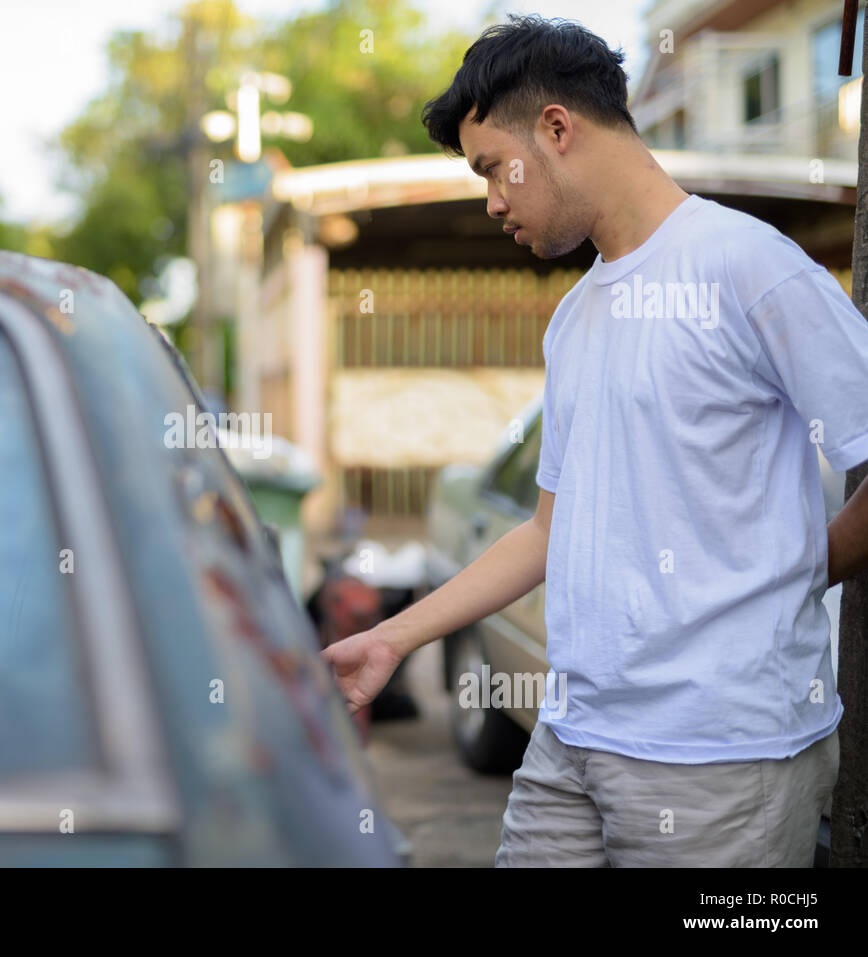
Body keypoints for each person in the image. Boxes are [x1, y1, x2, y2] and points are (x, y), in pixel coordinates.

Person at [321, 14, 868, 866]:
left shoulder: (749, 267)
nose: (492, 200)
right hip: (570, 740)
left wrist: (795, 568)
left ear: (556, 128)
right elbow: (548, 529)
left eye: (489, 169)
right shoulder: (577, 317)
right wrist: (395, 637)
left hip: (721, 761)